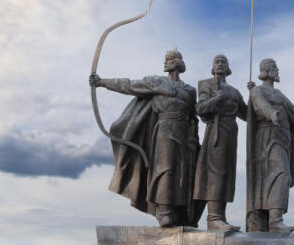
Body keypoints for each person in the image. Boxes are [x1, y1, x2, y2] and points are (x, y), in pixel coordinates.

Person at [89, 49, 201, 227]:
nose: (166, 62)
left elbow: (194, 118)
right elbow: (129, 85)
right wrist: (102, 82)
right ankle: (164, 210)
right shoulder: (156, 82)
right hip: (164, 129)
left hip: (184, 132)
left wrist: (194, 137)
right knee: (165, 167)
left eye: (169, 59)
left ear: (178, 62)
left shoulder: (190, 91)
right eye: (165, 59)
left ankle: (180, 212)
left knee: (183, 172)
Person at [246, 58, 294, 232]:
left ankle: (274, 219)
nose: (277, 70)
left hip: (283, 138)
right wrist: (271, 113)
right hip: (268, 137)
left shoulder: (279, 94)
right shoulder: (257, 90)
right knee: (282, 173)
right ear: (267, 70)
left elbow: (293, 115)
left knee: (282, 175)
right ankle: (275, 220)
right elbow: (260, 107)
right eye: (274, 67)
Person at [193, 55, 247, 231]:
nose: (220, 64)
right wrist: (217, 99)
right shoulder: (206, 85)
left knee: (227, 173)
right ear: (213, 67)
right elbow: (200, 109)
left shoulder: (234, 91)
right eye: (217, 62)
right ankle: (213, 217)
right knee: (216, 172)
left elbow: (247, 114)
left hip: (231, 132)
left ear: (228, 67)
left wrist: (253, 94)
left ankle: (221, 217)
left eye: (224, 62)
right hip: (216, 129)